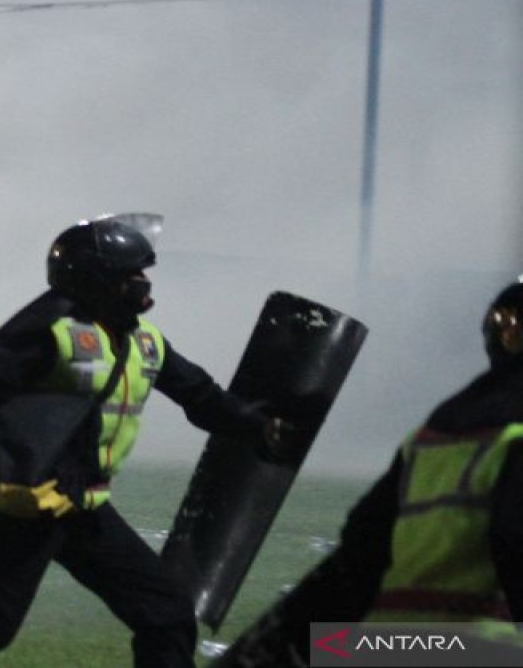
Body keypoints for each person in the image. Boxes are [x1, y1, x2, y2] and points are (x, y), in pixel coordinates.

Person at [0, 215, 291, 668]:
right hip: (24, 506)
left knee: (167, 615)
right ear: (98, 279)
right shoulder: (43, 330)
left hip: (83, 505)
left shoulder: (146, 341)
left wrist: (257, 426)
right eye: (131, 273)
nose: (142, 282)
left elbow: (200, 395)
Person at [214, 278, 523, 667]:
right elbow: (512, 538)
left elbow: (361, 547)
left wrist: (283, 645)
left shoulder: (443, 425)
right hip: (477, 648)